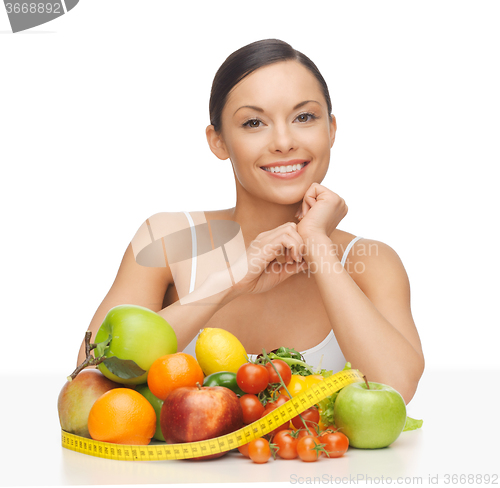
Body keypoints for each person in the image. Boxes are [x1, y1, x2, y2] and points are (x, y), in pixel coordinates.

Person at [77, 39, 424, 404]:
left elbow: (397, 388)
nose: (284, 141)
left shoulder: (372, 261)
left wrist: (319, 246)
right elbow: (91, 379)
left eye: (304, 117)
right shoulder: (166, 240)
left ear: (331, 129)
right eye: (254, 122)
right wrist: (230, 282)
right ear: (219, 142)